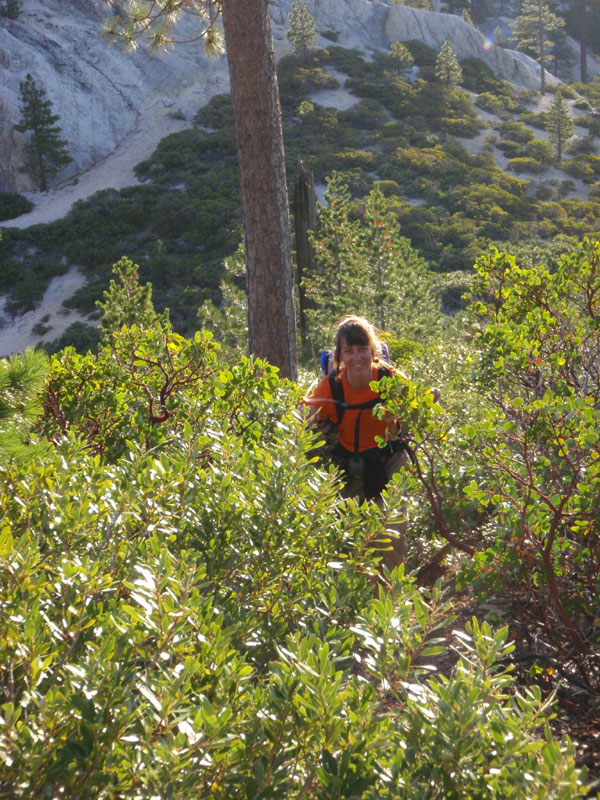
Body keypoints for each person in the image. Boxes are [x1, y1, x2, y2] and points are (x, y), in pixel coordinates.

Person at [304, 316, 414, 568]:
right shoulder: (331, 387)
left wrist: (431, 399)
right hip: (351, 468)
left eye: (363, 349)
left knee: (390, 534)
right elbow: (305, 421)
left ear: (373, 350)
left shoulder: (390, 378)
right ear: (339, 356)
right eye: (349, 351)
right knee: (352, 538)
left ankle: (390, 596)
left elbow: (416, 406)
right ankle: (358, 598)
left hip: (391, 463)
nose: (357, 358)